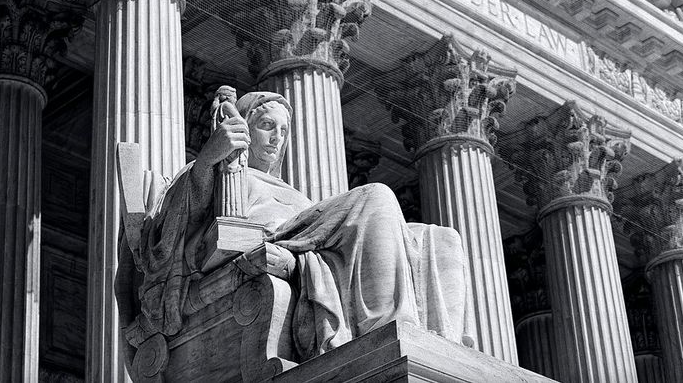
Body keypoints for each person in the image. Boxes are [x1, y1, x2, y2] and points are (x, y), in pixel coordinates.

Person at [132, 91, 473, 362]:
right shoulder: (216, 170)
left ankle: (443, 349)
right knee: (376, 197)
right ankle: (386, 328)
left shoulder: (294, 193)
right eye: (267, 125)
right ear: (246, 127)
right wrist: (210, 157)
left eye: (283, 131)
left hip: (307, 241)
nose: (277, 138)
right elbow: (174, 234)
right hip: (276, 239)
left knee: (443, 240)